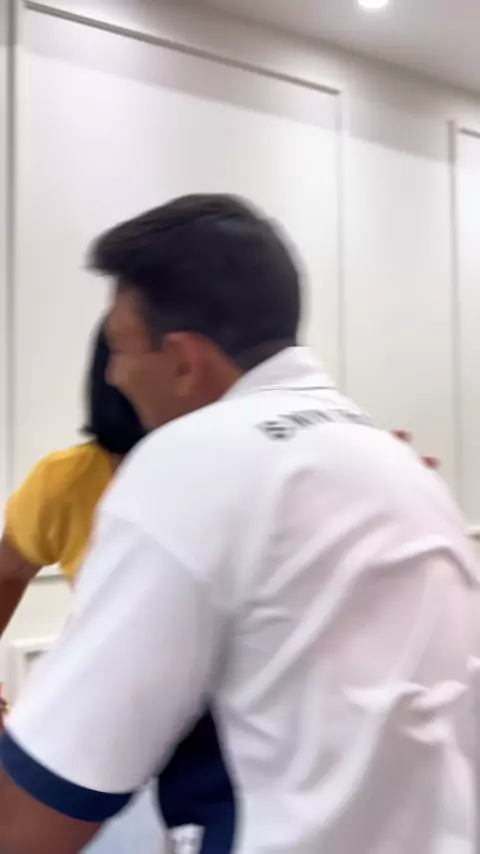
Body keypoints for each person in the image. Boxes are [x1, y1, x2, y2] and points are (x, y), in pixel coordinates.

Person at [0, 193, 476, 854]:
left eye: (121, 348)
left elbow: (33, 818)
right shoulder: (397, 462)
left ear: (185, 361)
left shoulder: (185, 463)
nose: (113, 374)